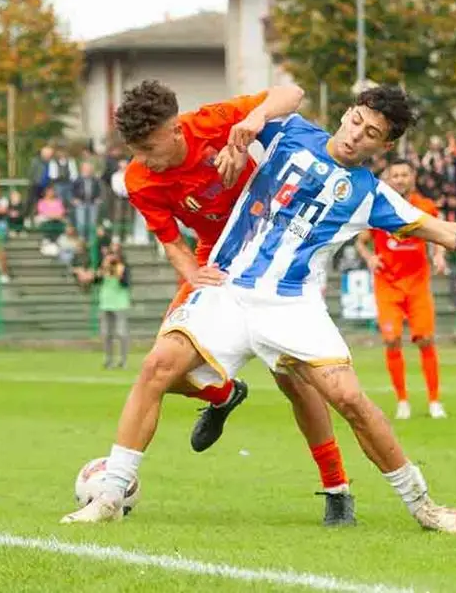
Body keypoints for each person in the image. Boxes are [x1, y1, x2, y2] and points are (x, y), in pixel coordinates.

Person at [62, 84, 456, 531]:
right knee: (156, 368)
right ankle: (110, 497)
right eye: (356, 120)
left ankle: (423, 506)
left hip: (291, 305)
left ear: (385, 145)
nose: (356, 134)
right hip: (228, 288)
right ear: (345, 114)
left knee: (349, 399)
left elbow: (453, 235)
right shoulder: (287, 133)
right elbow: (280, 96)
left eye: (371, 133)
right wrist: (248, 127)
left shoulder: (370, 195)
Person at [114, 80, 355, 526]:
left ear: (175, 129)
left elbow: (292, 91)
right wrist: (193, 275)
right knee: (161, 369)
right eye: (134, 149)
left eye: (148, 146)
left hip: (271, 250)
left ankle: (336, 489)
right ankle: (224, 394)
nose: (143, 159)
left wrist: (252, 121)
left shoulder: (210, 122)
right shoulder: (139, 178)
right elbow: (171, 243)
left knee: (294, 379)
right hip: (214, 259)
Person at [355, 160, 447, 420]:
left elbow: (440, 235)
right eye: (395, 175)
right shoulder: (376, 204)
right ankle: (402, 400)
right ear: (387, 178)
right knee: (392, 339)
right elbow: (361, 241)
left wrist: (439, 255)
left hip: (418, 283)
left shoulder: (425, 206)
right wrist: (369, 257)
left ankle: (434, 400)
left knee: (426, 339)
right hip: (388, 284)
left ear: (412, 178)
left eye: (404, 174)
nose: (400, 179)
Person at [96, 245, 131, 369]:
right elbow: (96, 280)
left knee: (121, 333)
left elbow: (126, 283)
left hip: (120, 303)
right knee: (106, 333)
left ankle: (123, 360)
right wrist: (102, 269)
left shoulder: (123, 268)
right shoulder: (104, 268)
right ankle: (108, 359)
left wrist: (118, 273)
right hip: (106, 303)